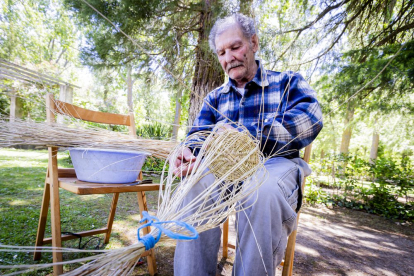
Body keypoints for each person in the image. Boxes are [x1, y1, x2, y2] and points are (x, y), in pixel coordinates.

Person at [173, 13, 323, 276]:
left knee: (261, 192)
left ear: (253, 42)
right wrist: (188, 152)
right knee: (192, 189)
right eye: (221, 53)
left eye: (235, 47)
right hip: (224, 170)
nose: (228, 58)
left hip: (275, 164)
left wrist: (248, 135)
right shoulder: (215, 98)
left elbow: (310, 120)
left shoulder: (287, 83)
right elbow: (197, 135)